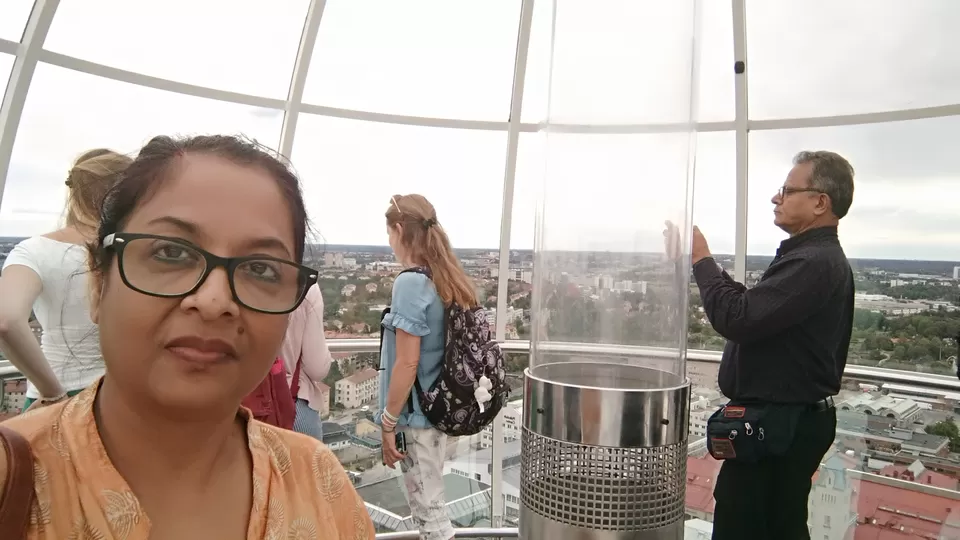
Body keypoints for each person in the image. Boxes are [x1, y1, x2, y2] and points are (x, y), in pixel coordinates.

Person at [0, 135, 373, 539]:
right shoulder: (15, 479)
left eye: (262, 269)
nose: (214, 301)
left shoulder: (321, 482)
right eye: (171, 252)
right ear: (98, 283)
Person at [691, 151, 855, 540]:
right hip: (786, 423)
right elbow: (750, 309)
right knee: (778, 524)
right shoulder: (813, 258)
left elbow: (737, 318)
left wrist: (702, 259)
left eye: (787, 189)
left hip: (780, 427)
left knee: (744, 525)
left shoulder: (814, 261)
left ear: (820, 202)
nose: (775, 198)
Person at [377, 194, 478, 540]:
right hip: (440, 411)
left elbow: (407, 361)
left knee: (429, 516)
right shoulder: (443, 277)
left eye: (389, 232)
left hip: (417, 418)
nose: (389, 241)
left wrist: (388, 422)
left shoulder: (409, 283)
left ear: (400, 229)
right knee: (431, 508)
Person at [0, 149, 132, 411]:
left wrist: (53, 392)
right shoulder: (134, 250)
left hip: (51, 397)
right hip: (121, 396)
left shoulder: (34, 250)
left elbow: (6, 320)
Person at [281, 283, 332, 439]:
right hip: (290, 407)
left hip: (226, 406)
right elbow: (317, 368)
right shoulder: (305, 286)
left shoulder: (214, 277)